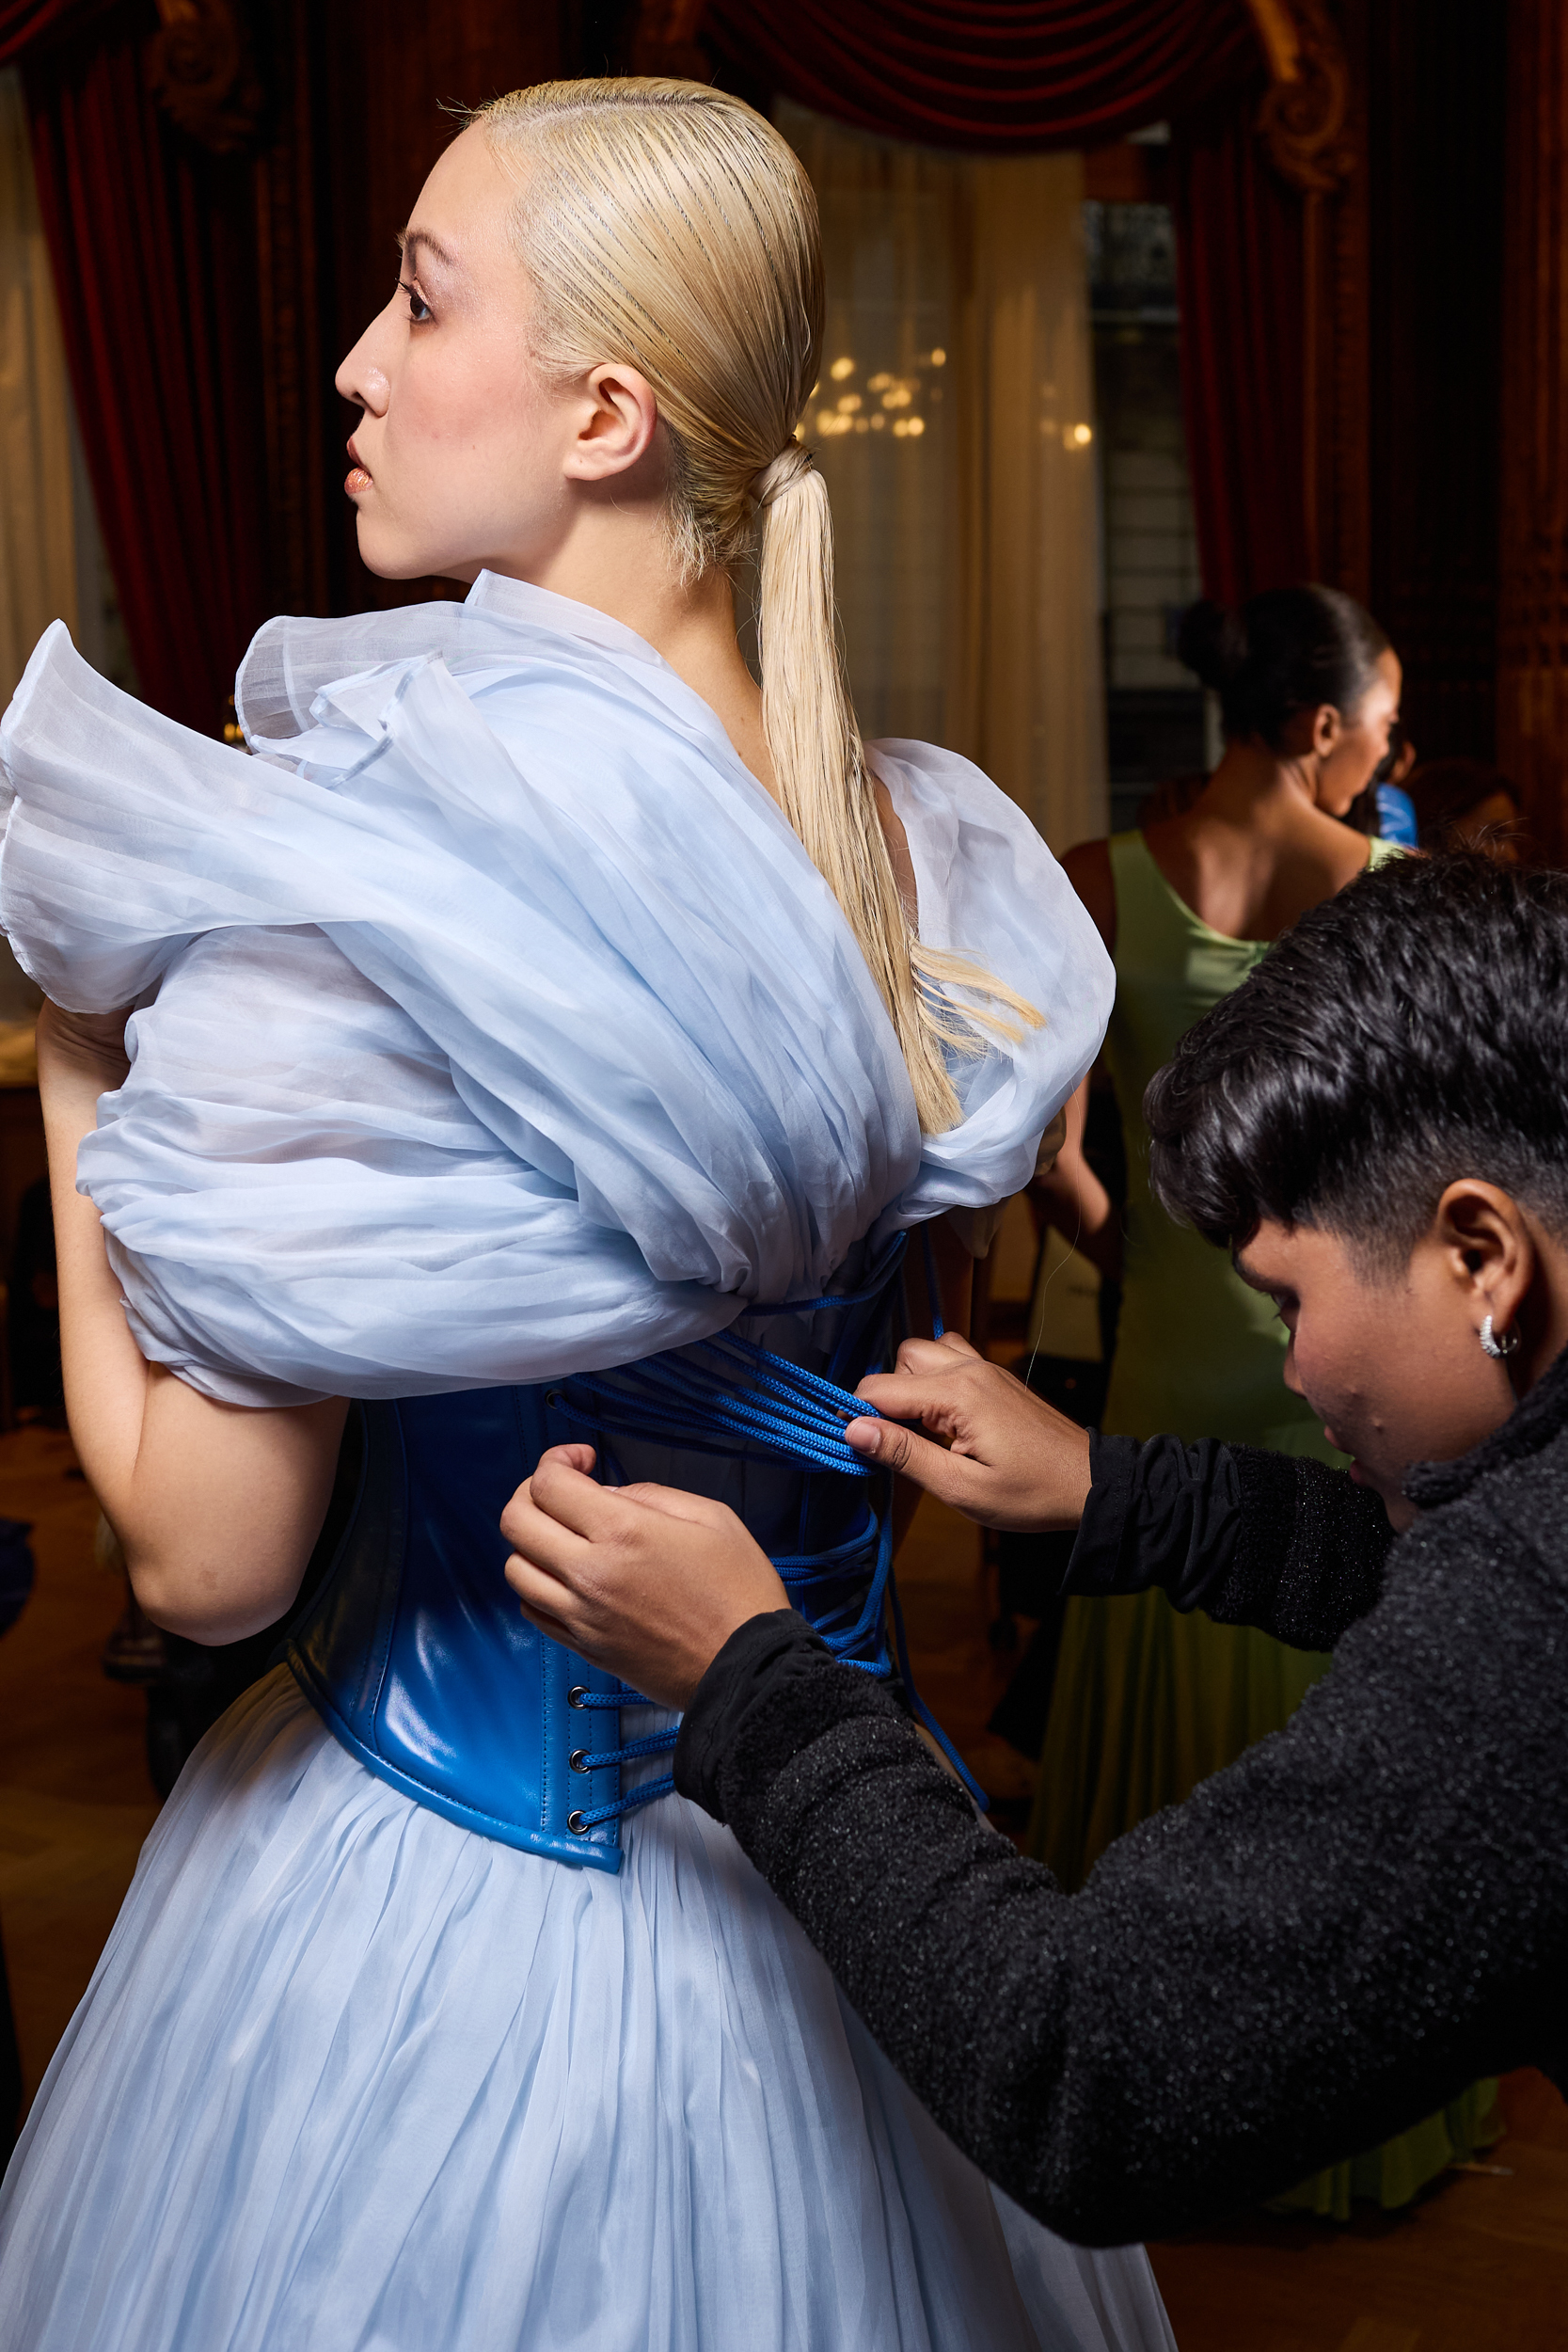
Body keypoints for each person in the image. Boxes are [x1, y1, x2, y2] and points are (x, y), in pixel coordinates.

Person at [0, 79, 1173, 2352]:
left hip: (429, 1933)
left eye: (423, 298)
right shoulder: (920, 855)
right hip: (867, 1881)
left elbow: (203, 1557)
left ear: (608, 408)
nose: (354, 357)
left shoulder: (366, 896)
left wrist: (77, 1056)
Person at [499, 850, 1568, 2248]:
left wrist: (752, 1679)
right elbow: (1426, 1584)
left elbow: (1085, 2069)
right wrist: (1116, 1490)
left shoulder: (1529, 1630)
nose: (1295, 1371)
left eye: (1287, 1301)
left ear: (1480, 1253)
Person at [1027, 583, 1499, 2214]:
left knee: (1161, 1777)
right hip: (1354, 1400)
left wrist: (1149, 1265)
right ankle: (1337, 2138)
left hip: (1160, 1376)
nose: (1387, 764)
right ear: (1320, 732)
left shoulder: (1096, 887)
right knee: (1344, 1812)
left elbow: (1053, 1163)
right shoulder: (1401, 896)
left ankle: (1132, 2113)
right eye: (1377, 737)